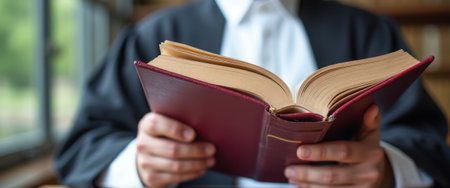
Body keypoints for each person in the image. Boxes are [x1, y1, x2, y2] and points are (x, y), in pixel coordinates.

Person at [54, 0, 450, 187]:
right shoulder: (155, 38)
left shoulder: (368, 33)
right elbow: (83, 147)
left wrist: (386, 171)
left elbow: (428, 144)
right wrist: (138, 167)